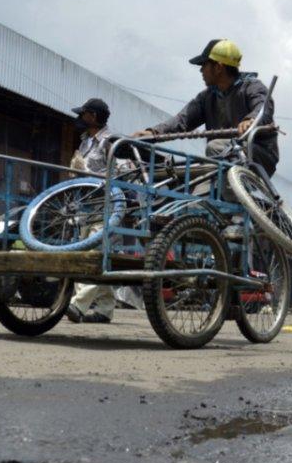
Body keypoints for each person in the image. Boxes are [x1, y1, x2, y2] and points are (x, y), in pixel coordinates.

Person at [135, 39, 278, 177]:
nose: (201, 70)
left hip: (258, 156)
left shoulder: (252, 87)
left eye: (204, 65)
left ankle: (233, 195)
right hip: (222, 158)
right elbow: (182, 120)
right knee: (190, 192)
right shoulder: (207, 97)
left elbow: (263, 108)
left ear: (218, 67)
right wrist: (153, 132)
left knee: (215, 147)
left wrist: (251, 119)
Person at [66, 97, 123, 324]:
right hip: (86, 205)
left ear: (94, 117)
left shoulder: (112, 142)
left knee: (93, 256)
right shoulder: (84, 142)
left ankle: (77, 305)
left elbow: (122, 173)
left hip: (106, 206)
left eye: (84, 114)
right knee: (84, 254)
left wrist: (87, 171)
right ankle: (105, 310)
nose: (80, 118)